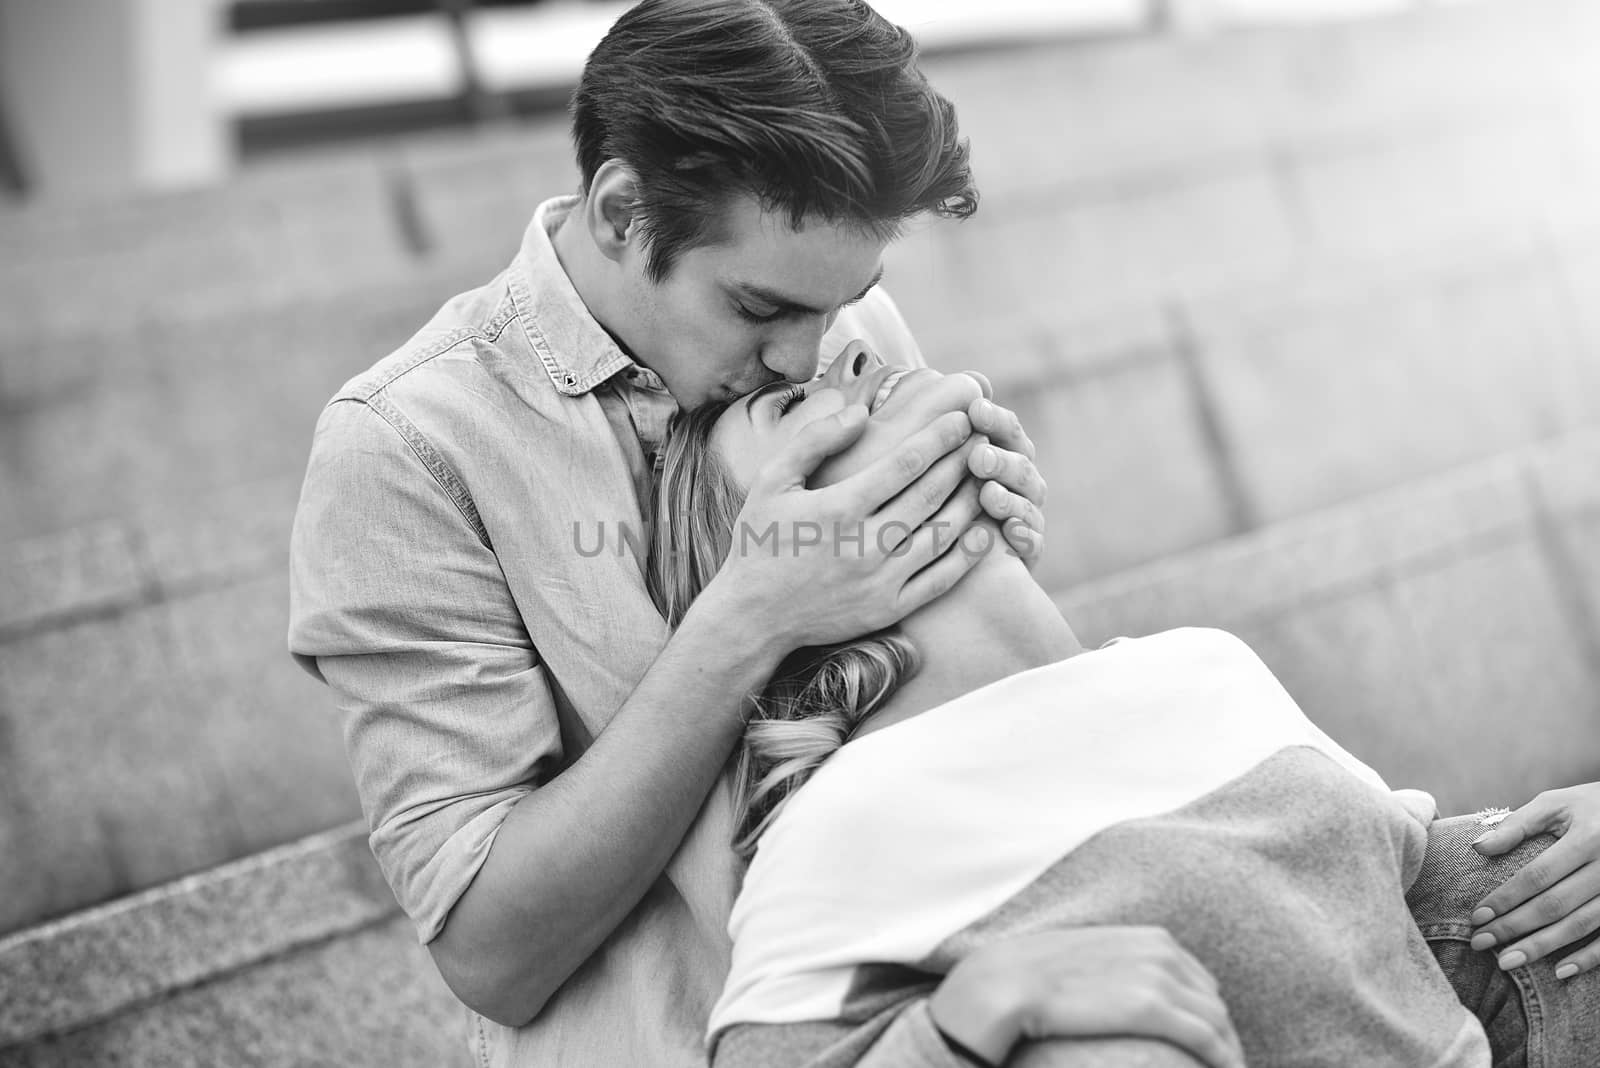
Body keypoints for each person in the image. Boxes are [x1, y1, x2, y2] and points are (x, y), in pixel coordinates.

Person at [287, 2, 1053, 1065]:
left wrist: (970, 551)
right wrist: (755, 614)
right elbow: (491, 953)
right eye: (756, 310)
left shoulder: (830, 323)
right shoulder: (408, 449)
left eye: (844, 306)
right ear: (620, 213)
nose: (806, 357)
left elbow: (903, 706)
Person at [645, 350, 1600, 1067]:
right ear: (765, 543)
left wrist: (1568, 843)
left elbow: (1408, 904)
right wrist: (957, 1024)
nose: (851, 354)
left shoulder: (1196, 667)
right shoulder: (838, 827)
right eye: (795, 404)